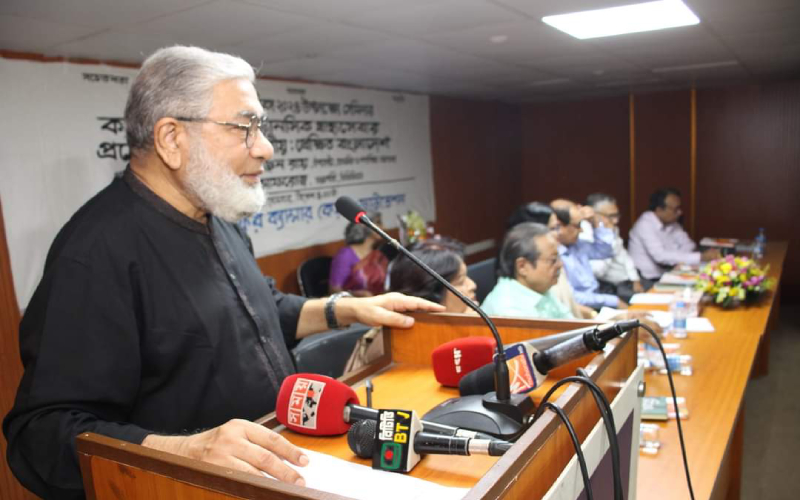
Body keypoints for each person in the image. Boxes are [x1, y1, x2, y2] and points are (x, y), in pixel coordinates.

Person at [2, 46, 444, 499]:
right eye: (245, 127)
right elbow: (40, 434)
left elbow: (258, 311)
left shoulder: (218, 217)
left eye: (261, 127)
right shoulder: (95, 251)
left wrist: (348, 309)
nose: (266, 147)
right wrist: (184, 451)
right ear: (171, 138)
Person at [345, 237, 478, 372]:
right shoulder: (395, 346)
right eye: (461, 281)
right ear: (430, 295)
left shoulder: (459, 323)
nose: (472, 285)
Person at [482, 223, 573, 319]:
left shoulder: (538, 287)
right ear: (522, 267)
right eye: (553, 260)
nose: (560, 264)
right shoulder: (509, 312)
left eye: (558, 257)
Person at [629, 188, 720, 280]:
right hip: (647, 280)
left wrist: (677, 258)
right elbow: (660, 256)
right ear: (659, 210)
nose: (680, 212)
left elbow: (689, 244)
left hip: (669, 274)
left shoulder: (671, 222)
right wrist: (700, 257)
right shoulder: (645, 224)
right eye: (675, 209)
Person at [551, 199, 626, 310]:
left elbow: (605, 251)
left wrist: (595, 222)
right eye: (578, 225)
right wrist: (613, 301)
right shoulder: (553, 254)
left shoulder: (577, 244)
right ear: (559, 226)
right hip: (581, 308)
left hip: (597, 299)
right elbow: (571, 296)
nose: (581, 230)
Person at [583, 193, 651, 302]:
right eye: (611, 216)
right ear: (593, 214)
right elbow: (599, 271)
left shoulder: (611, 229)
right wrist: (609, 241)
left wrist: (635, 279)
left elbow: (624, 255)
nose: (615, 221)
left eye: (617, 215)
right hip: (610, 287)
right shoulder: (584, 234)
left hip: (628, 281)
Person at [329, 212, 388, 296]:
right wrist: (357, 295)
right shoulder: (345, 255)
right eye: (378, 223)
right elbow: (334, 290)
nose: (384, 228)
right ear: (364, 226)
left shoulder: (377, 255)